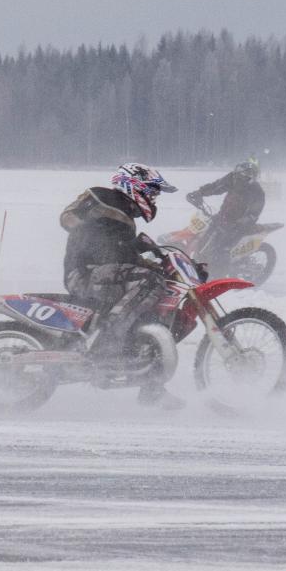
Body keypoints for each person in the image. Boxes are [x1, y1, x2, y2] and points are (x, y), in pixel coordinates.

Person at [60, 163, 184, 410]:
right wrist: (93, 233)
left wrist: (152, 258)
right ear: (135, 186)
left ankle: (152, 387)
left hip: (104, 274)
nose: (154, 198)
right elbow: (68, 217)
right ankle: (107, 340)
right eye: (152, 192)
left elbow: (121, 254)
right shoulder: (103, 197)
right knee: (149, 281)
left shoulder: (125, 221)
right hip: (85, 273)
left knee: (152, 311)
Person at [185, 158, 265, 274]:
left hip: (239, 224)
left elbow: (254, 213)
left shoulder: (257, 192)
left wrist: (240, 223)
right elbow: (216, 186)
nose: (237, 178)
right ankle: (198, 268)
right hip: (223, 216)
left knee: (221, 249)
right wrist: (199, 193)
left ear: (250, 178)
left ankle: (219, 277)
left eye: (241, 176)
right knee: (202, 239)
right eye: (237, 174)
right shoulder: (233, 179)